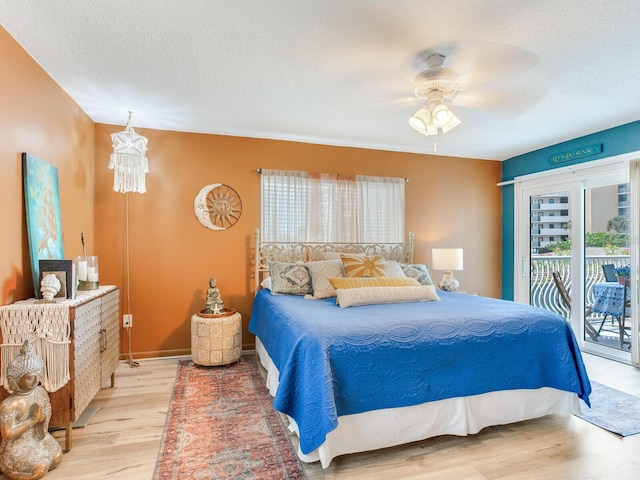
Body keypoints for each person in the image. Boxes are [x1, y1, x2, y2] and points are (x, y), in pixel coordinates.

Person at [0, 341, 63, 480]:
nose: (35, 381)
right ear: (15, 380)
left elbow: (46, 412)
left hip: (36, 437)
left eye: (38, 375)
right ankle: (11, 470)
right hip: (17, 445)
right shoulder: (9, 405)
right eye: (29, 378)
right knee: (41, 466)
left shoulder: (40, 392)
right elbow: (7, 433)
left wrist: (41, 419)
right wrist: (31, 421)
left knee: (57, 456)